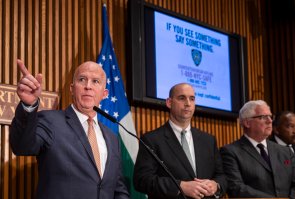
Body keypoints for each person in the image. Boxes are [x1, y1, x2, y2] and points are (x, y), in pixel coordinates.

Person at [9, 59, 130, 199]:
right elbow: (21, 146)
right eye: (82, 79)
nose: (88, 86)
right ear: (72, 88)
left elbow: (118, 188)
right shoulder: (50, 121)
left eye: (95, 81)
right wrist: (27, 105)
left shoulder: (112, 138)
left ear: (105, 93)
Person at [133, 83, 227, 199]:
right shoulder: (152, 139)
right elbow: (142, 180)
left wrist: (215, 185)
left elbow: (222, 177)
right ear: (169, 102)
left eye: (192, 99)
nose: (188, 103)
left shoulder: (208, 140)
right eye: (182, 98)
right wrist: (179, 186)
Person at [220, 100, 295, 198]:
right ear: (247, 123)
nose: (270, 121)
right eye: (263, 117)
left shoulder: (286, 152)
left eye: (270, 117)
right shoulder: (230, 151)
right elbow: (236, 188)